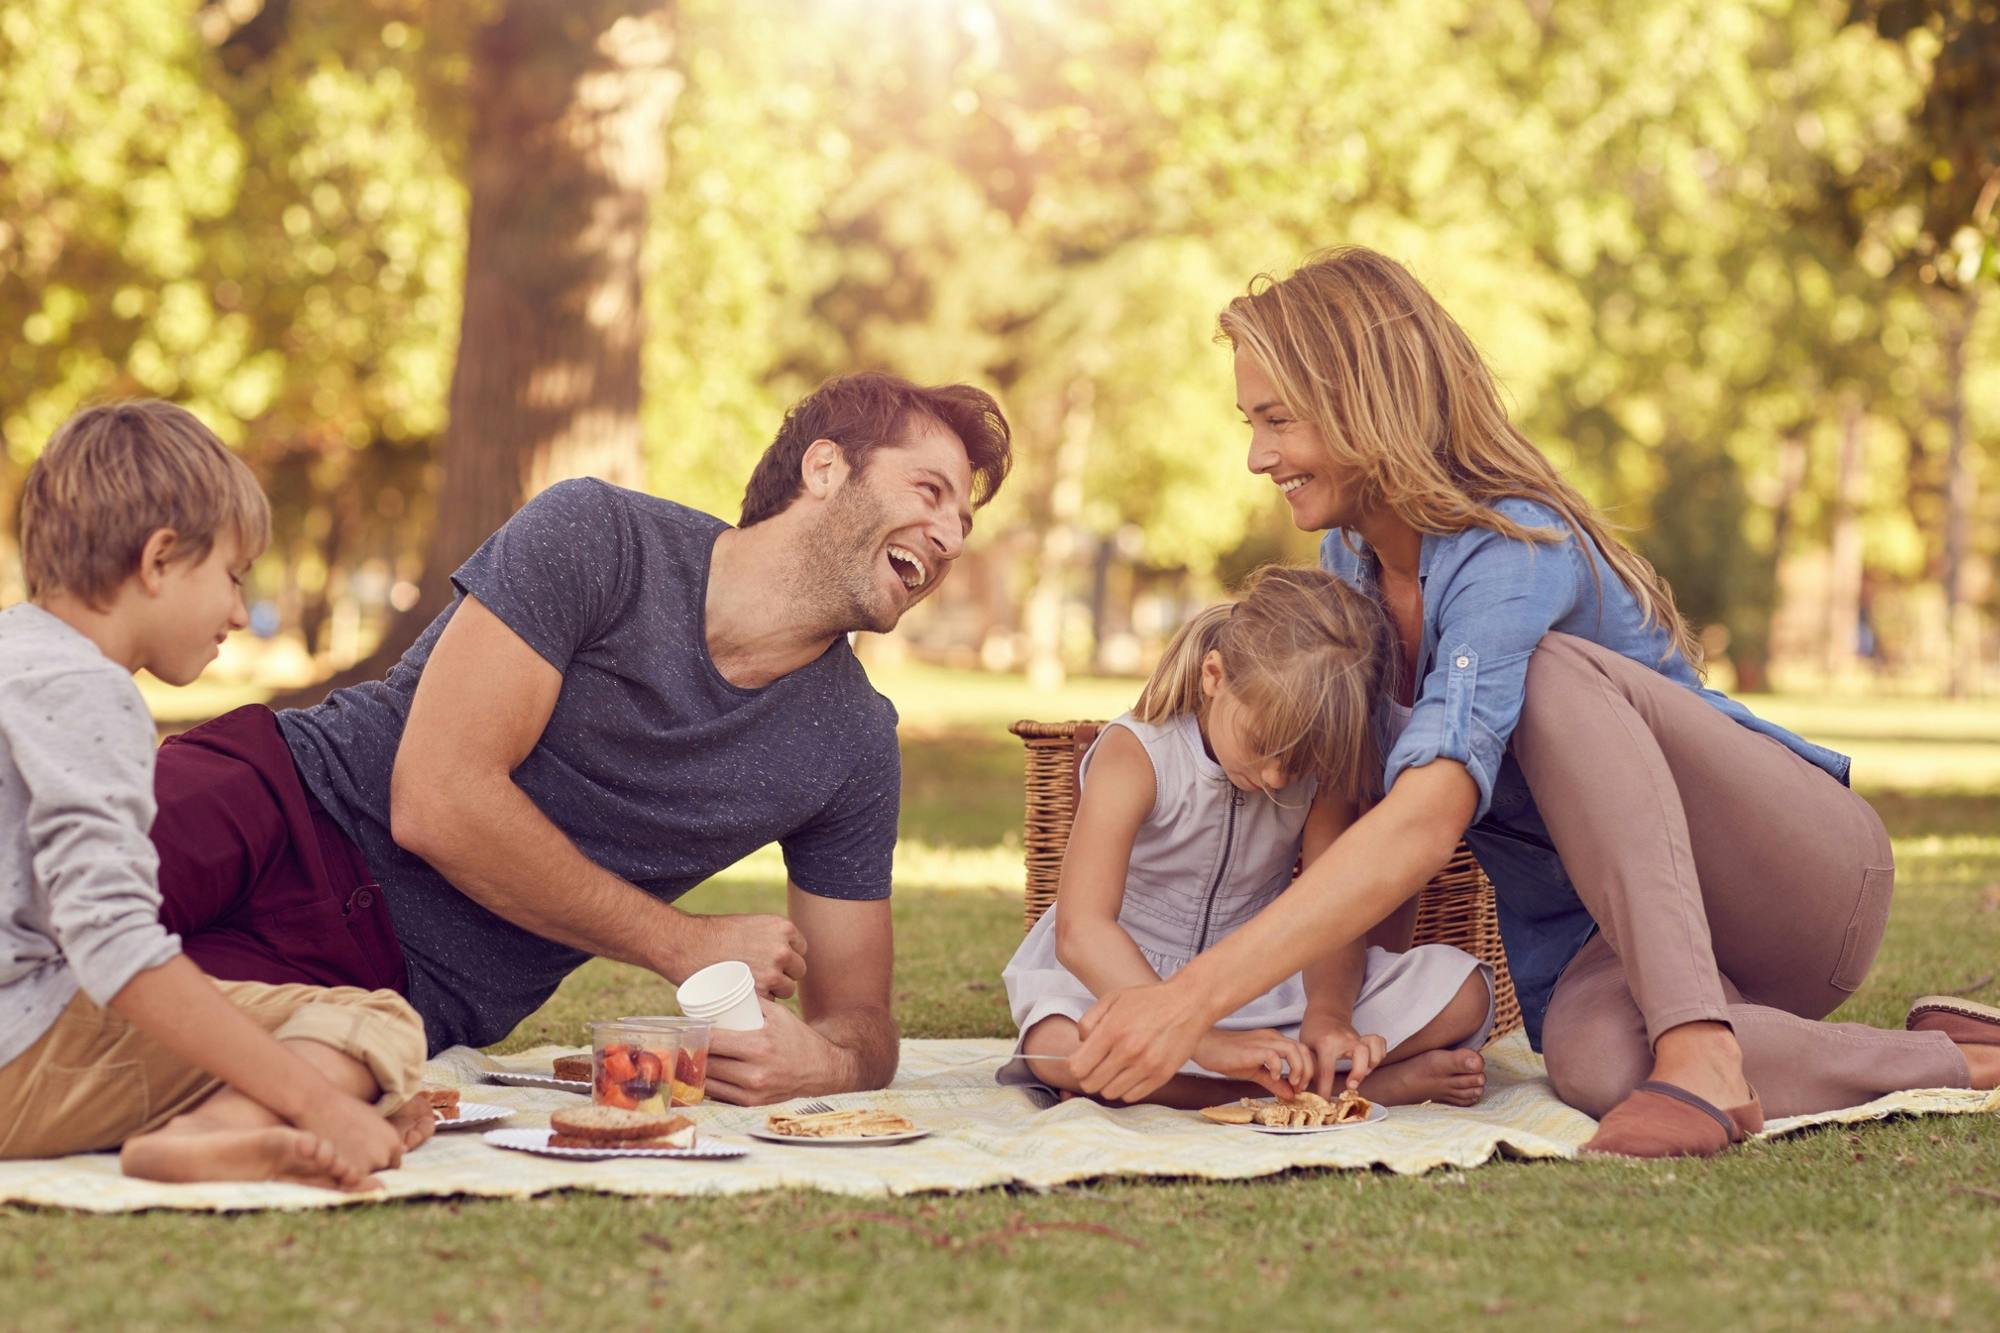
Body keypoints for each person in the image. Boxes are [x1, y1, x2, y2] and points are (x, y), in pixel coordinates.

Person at [1065, 247, 2000, 1156]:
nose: (1259, 456)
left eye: (1278, 420)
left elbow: (1427, 818)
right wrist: (1337, 1013)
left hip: (1789, 878)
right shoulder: (1347, 571)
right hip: (1618, 934)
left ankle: (1702, 1051)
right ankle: (1953, 1058)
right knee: (1591, 1063)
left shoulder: (1513, 544)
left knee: (1552, 675)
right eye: (1251, 424)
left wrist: (1186, 998)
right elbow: (1358, 811)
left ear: (1364, 404)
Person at [145, 372, 1012, 1105]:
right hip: (284, 800)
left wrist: (822, 1062)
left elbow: (861, 1019)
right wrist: (685, 944)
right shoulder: (600, 536)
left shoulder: (854, 744)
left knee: (100, 1048)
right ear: (826, 468)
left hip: (391, 986)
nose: (947, 538)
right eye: (928, 492)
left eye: (963, 525)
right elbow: (436, 799)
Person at [0, 402, 430, 1188]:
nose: (237, 611)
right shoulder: (87, 691)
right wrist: (321, 1101)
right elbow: (117, 943)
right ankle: (209, 1135)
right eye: (230, 576)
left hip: (28, 1027)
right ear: (159, 559)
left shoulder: (14, 656)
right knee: (376, 1017)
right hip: (18, 1063)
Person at [999, 566, 1492, 1109]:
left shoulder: (1319, 775)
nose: (1278, 778)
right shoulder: (1136, 754)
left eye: (1298, 760)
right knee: (1060, 1048)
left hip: (1263, 983)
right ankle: (1351, 1091)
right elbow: (1081, 930)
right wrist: (1202, 1040)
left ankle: (1244, 1084)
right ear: (1214, 676)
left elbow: (1334, 916)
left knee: (1463, 992)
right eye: (1262, 743)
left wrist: (1329, 1017)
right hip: (1118, 980)